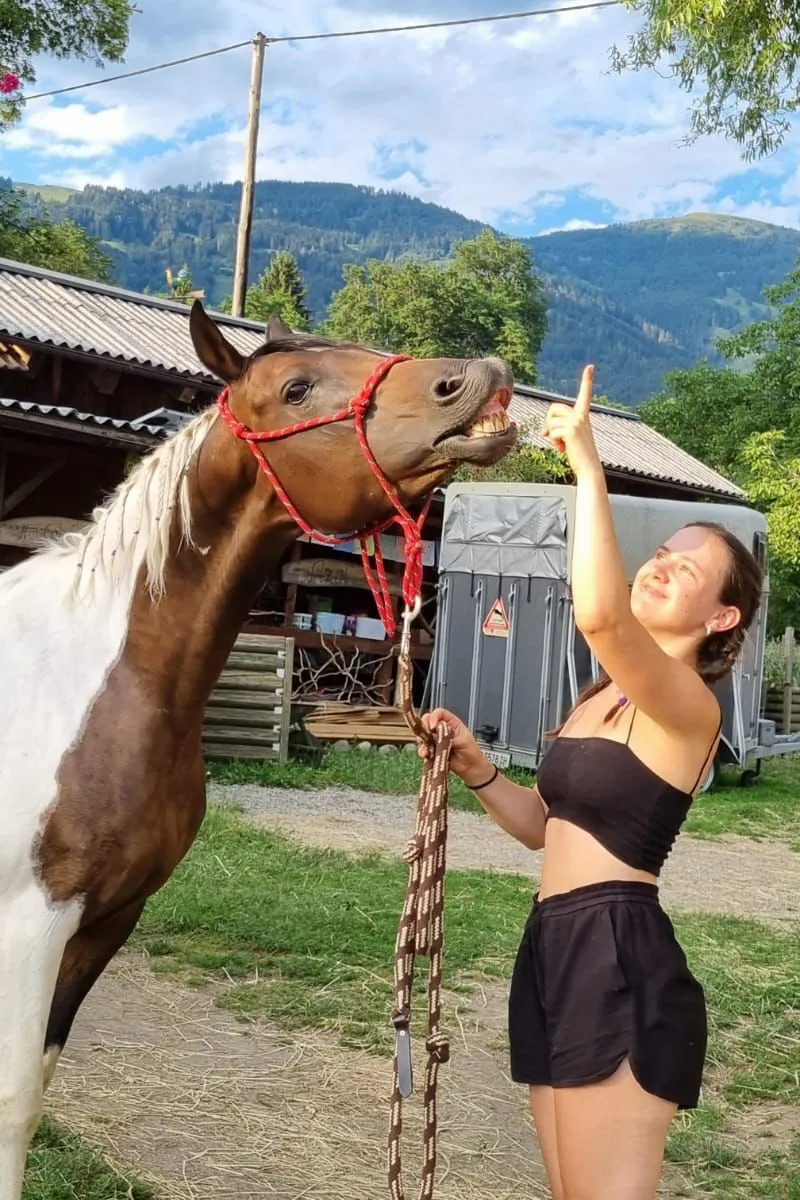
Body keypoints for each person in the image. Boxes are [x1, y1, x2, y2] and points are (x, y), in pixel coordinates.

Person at [420, 365, 763, 1200]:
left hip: (618, 951)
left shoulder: (689, 706)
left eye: (688, 569)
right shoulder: (600, 695)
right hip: (553, 943)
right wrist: (478, 770)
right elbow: (546, 826)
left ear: (723, 619)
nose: (663, 566)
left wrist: (588, 470)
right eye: (663, 553)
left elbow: (599, 614)